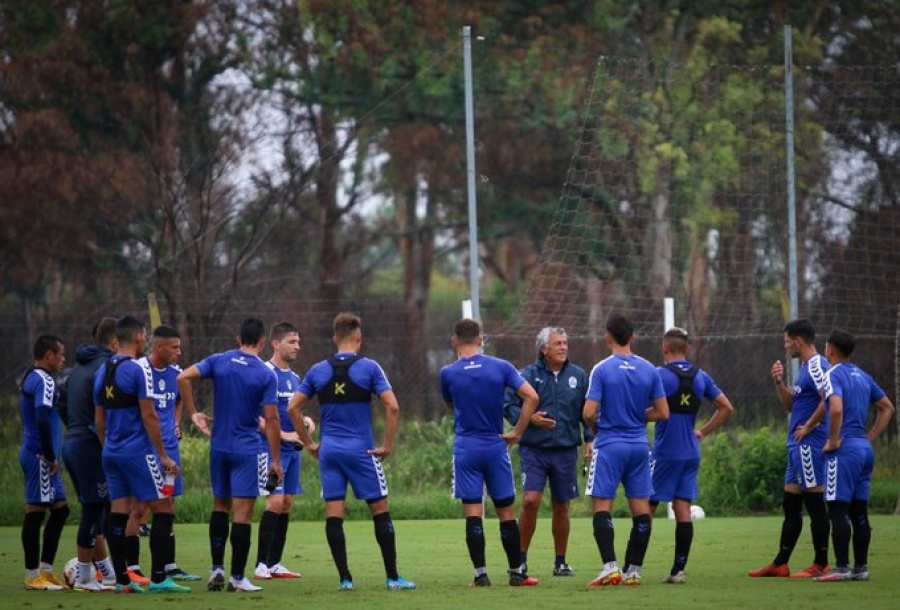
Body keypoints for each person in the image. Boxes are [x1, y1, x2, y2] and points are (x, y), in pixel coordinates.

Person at [287, 312, 416, 592]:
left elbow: (292, 408)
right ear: (359, 338)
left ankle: (345, 579)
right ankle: (393, 578)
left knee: (334, 513)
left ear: (335, 338)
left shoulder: (318, 370)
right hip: (362, 451)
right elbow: (392, 407)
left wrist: (308, 442)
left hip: (329, 451)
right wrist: (387, 445)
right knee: (380, 510)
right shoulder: (369, 368)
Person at [176, 317, 283, 593]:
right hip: (245, 450)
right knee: (242, 516)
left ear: (238, 339)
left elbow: (183, 377)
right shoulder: (265, 374)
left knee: (219, 508)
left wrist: (193, 413)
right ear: (262, 342)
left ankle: (216, 570)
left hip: (219, 448)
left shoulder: (219, 360)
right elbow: (271, 419)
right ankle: (237, 578)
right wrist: (276, 460)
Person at [440, 318, 540, 588]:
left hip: (466, 448)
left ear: (454, 341)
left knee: (474, 513)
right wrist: (517, 432)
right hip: (496, 446)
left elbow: (451, 405)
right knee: (506, 513)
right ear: (481, 339)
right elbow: (532, 397)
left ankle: (480, 575)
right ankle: (517, 572)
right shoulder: (501, 367)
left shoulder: (448, 373)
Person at [94, 315, 190, 593]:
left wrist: (107, 447)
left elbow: (99, 421)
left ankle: (122, 580)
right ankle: (159, 578)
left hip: (110, 452)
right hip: (138, 451)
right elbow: (149, 415)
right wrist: (162, 456)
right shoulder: (138, 371)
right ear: (139, 337)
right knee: (164, 508)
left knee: (119, 512)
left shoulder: (103, 371)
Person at [583, 313, 669, 588]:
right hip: (639, 447)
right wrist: (637, 417)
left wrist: (599, 428)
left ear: (607, 336)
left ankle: (610, 567)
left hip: (609, 445)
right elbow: (663, 412)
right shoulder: (649, 370)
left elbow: (588, 412)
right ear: (632, 337)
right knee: (641, 509)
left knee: (601, 506)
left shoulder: (602, 369)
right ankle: (633, 571)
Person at [502, 326, 590, 577]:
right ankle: (520, 561)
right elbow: (508, 405)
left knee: (562, 506)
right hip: (534, 450)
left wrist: (590, 439)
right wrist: (529, 419)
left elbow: (587, 411)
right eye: (557, 343)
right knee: (531, 501)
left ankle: (560, 562)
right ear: (544, 349)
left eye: (565, 342)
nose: (563, 347)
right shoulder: (527, 375)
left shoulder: (578, 376)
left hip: (565, 451)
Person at [649, 327, 734, 584]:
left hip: (665, 452)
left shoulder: (659, 375)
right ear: (687, 350)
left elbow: (646, 407)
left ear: (664, 350)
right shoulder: (701, 377)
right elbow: (726, 407)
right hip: (690, 452)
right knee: (682, 508)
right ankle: (678, 571)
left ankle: (633, 567)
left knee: (646, 507)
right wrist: (703, 432)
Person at [749, 319, 831, 579]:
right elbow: (791, 406)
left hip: (809, 444)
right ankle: (781, 563)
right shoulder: (804, 368)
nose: (785, 346)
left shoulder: (817, 365)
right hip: (797, 445)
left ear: (798, 340)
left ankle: (821, 563)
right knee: (791, 504)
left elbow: (827, 398)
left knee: (815, 503)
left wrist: (808, 426)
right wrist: (779, 382)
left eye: (786, 341)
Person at [812, 329, 895, 582]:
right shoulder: (864, 376)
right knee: (859, 511)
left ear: (830, 349)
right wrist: (868, 439)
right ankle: (861, 568)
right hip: (863, 450)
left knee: (837, 510)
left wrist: (834, 440)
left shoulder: (832, 374)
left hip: (844, 451)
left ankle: (841, 568)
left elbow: (835, 408)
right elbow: (887, 408)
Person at [136, 325, 200, 582]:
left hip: (169, 450)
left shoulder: (177, 374)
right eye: (174, 347)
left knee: (168, 504)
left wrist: (175, 422)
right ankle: (133, 568)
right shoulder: (140, 370)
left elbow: (179, 400)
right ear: (159, 347)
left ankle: (169, 565)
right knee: (140, 507)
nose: (179, 351)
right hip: (147, 449)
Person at [59, 317, 118, 591]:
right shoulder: (106, 367)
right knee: (94, 509)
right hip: (88, 444)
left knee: (97, 507)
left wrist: (74, 425)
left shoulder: (77, 368)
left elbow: (61, 400)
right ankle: (84, 578)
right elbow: (105, 410)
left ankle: (106, 573)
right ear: (116, 341)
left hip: (72, 440)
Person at [254, 322, 315, 580]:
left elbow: (295, 412)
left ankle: (274, 563)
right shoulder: (263, 372)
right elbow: (255, 415)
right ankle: (259, 565)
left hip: (292, 451)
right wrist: (283, 435)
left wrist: (307, 423)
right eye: (292, 341)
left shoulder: (296, 378)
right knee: (275, 502)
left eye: (299, 342)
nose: (297, 346)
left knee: (287, 503)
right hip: (269, 450)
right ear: (275, 343)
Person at [19, 334, 70, 591]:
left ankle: (46, 571)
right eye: (60, 354)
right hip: (40, 456)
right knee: (35, 511)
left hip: (43, 456)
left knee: (61, 510)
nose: (63, 359)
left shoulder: (35, 377)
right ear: (48, 355)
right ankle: (31, 576)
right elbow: (40, 416)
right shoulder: (43, 379)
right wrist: (50, 456)